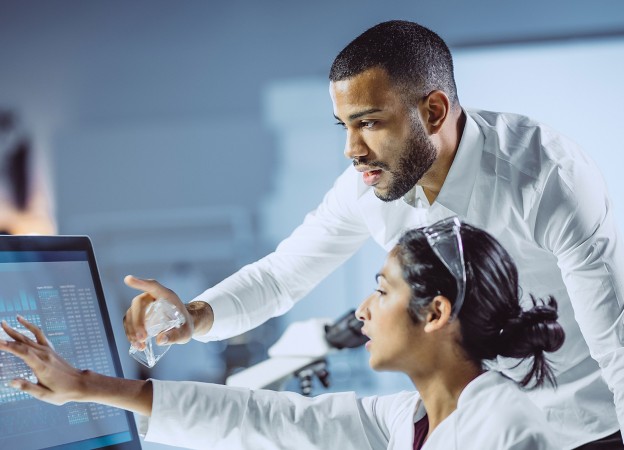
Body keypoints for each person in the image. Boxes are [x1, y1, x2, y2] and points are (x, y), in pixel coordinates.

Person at [123, 20, 624, 449]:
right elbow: (280, 278)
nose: (351, 149)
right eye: (343, 124)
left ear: (433, 111)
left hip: (587, 430)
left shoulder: (549, 178)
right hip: (470, 431)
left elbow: (616, 343)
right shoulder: (368, 187)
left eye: (369, 123)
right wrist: (193, 316)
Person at [1, 220, 565, 449]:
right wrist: (83, 384)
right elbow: (265, 419)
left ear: (436, 312)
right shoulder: (405, 422)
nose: (363, 311)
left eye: (383, 290)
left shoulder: (506, 431)